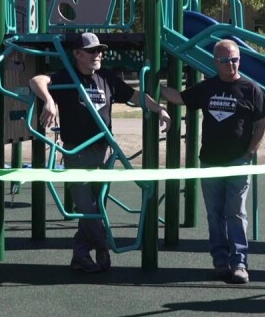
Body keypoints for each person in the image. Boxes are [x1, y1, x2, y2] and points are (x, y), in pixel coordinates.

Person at [29, 32, 170, 272]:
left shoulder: (106, 78)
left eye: (99, 51)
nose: (98, 55)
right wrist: (49, 100)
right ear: (77, 54)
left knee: (96, 209)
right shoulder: (68, 77)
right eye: (92, 51)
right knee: (89, 209)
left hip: (104, 151)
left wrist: (159, 109)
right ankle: (103, 246)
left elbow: (135, 96)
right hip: (78, 152)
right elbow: (36, 80)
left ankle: (80, 255)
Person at [159, 39, 265, 283]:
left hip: (238, 162)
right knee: (214, 214)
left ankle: (239, 263)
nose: (230, 64)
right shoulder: (207, 87)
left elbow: (261, 123)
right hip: (210, 161)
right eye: (224, 60)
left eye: (234, 59)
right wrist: (155, 86)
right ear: (215, 61)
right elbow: (179, 98)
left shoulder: (251, 89)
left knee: (236, 213)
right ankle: (220, 261)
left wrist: (250, 152)